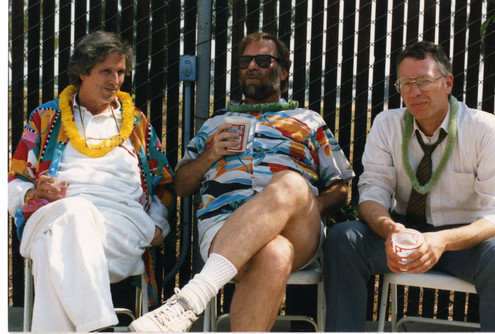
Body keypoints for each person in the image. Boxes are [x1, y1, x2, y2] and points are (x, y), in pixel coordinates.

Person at [129, 31, 354, 332]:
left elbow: (341, 187)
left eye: (263, 60)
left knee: (290, 184)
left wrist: (305, 202)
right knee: (275, 252)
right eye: (246, 61)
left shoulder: (309, 121)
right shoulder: (216, 124)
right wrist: (212, 154)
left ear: (283, 70)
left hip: (298, 228)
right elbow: (181, 186)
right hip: (224, 229)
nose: (252, 67)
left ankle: (191, 299)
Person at [322, 40, 495, 331]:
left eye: (424, 81)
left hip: (464, 241)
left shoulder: (483, 128)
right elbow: (371, 193)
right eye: (405, 84)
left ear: (448, 83)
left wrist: (440, 241)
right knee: (344, 239)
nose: (414, 92)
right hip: (403, 234)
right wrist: (390, 230)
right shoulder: (386, 124)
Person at [7, 31, 174, 332]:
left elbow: (162, 182)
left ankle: (96, 326)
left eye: (121, 72)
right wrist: (33, 190)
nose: (115, 79)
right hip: (51, 212)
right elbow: (12, 183)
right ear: (83, 71)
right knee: (75, 213)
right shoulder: (46, 118)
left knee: (52, 249)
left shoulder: (135, 123)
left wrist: (159, 223)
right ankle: (99, 326)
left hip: (120, 226)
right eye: (106, 71)